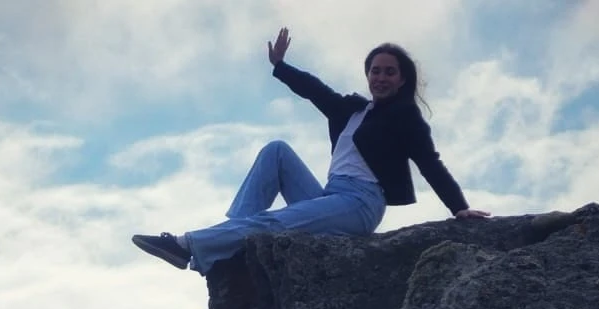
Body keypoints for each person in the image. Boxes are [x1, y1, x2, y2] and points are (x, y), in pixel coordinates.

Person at [132, 27, 490, 273]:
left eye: (389, 72)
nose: (380, 78)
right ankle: (232, 236)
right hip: (332, 195)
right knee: (276, 151)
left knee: (273, 224)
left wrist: (459, 208)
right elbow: (315, 90)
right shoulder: (353, 110)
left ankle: (186, 246)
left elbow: (430, 162)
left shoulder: (404, 116)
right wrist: (280, 66)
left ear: (402, 79)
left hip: (361, 204)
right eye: (375, 71)